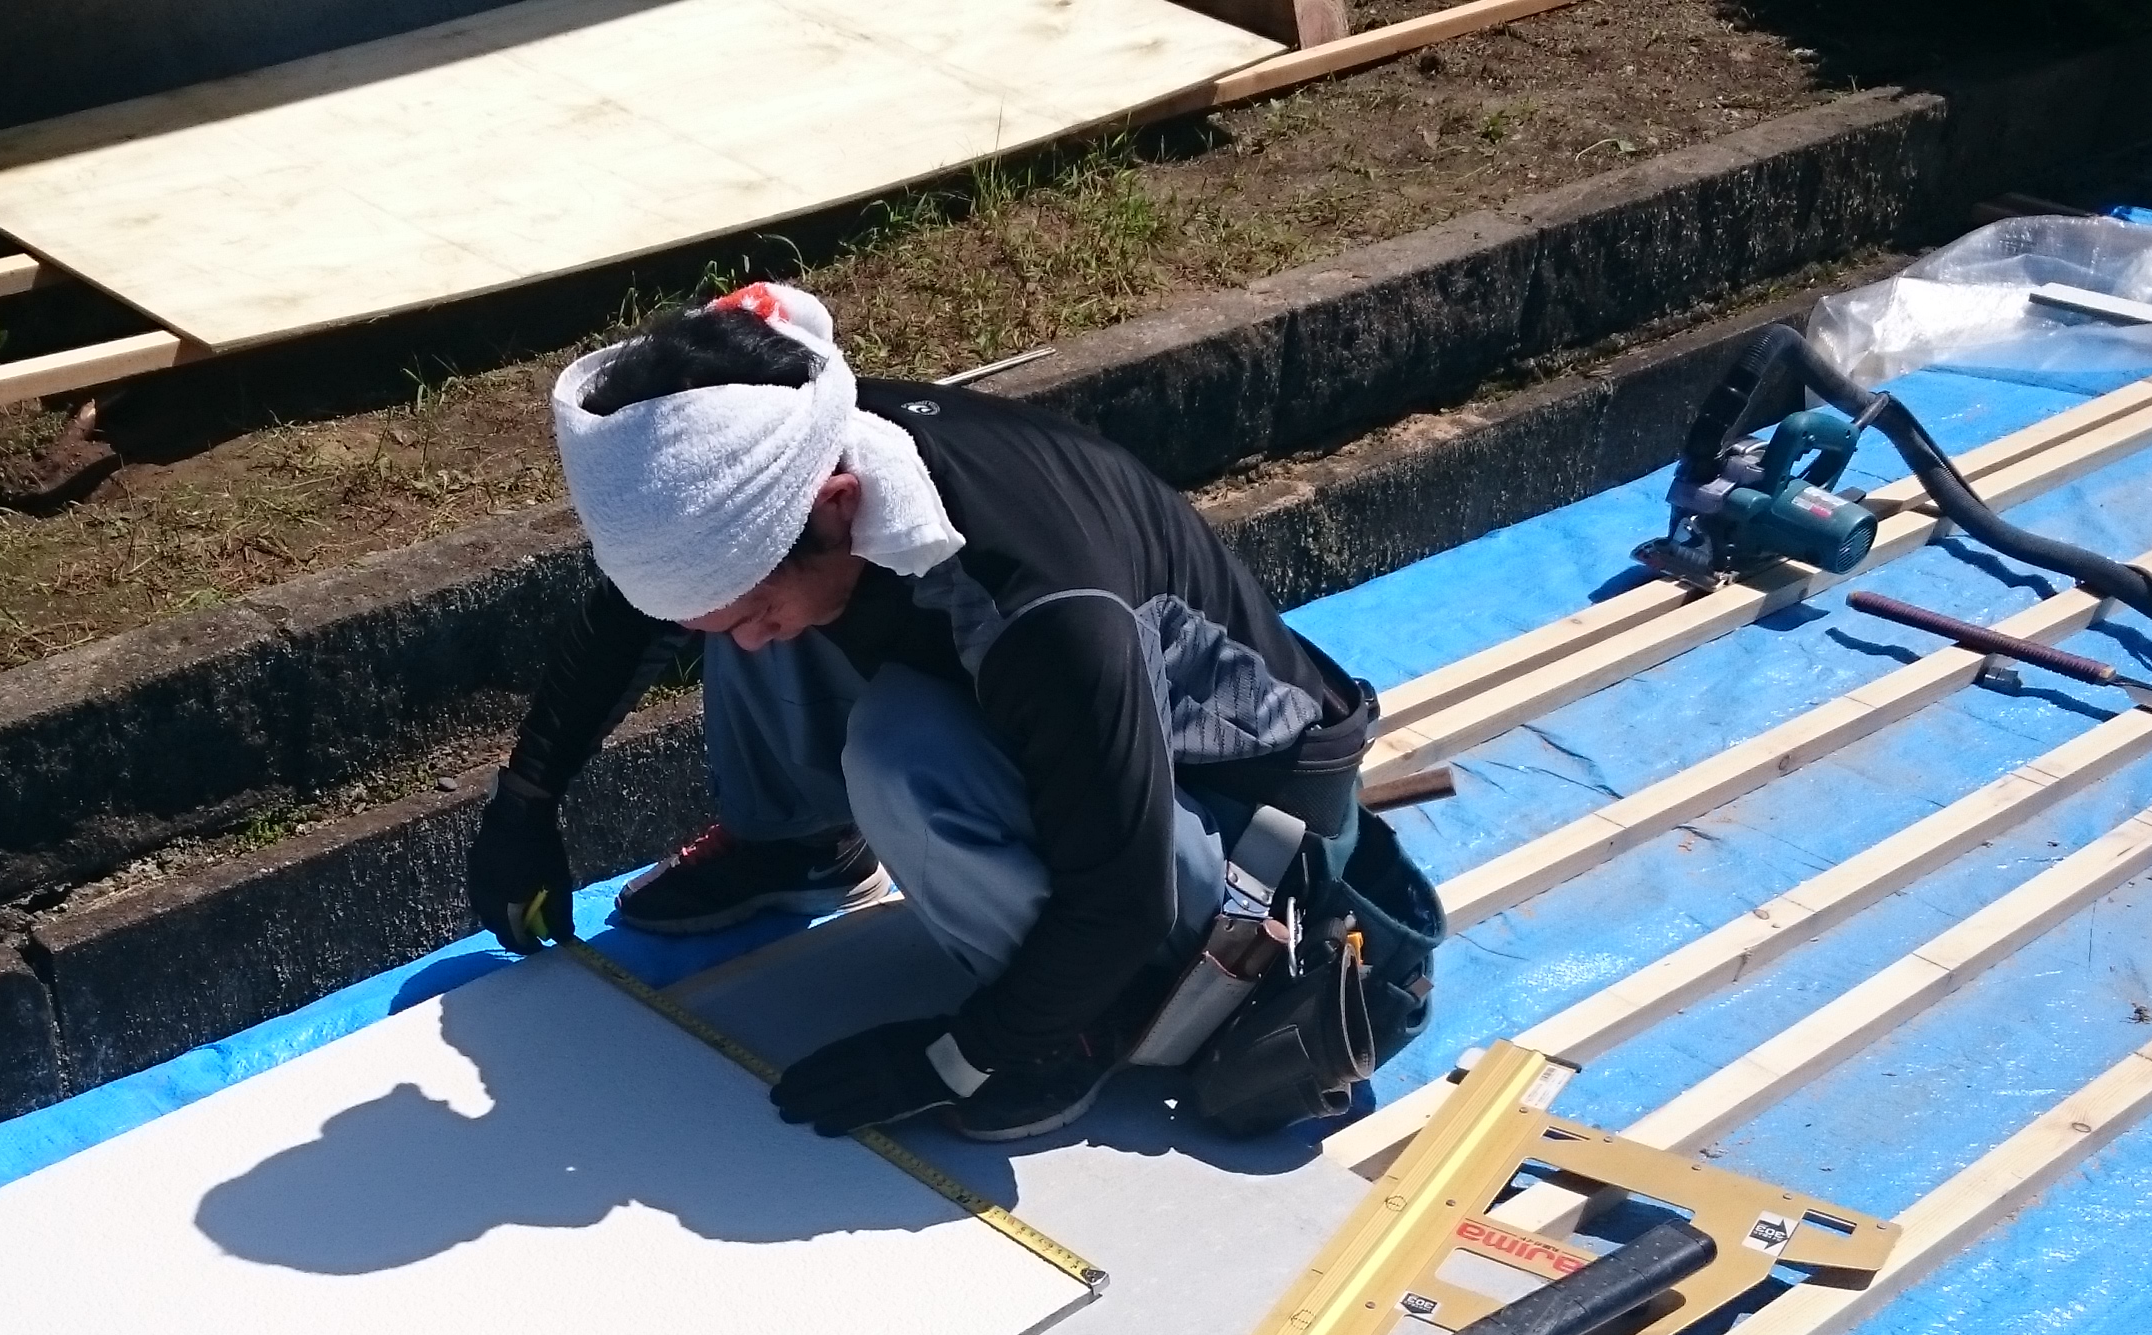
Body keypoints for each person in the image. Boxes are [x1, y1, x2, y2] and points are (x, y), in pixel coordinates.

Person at [466, 281, 1439, 1143]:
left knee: (904, 756)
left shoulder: (1047, 613)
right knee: (764, 620)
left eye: (751, 604)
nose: (744, 640)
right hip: (1097, 755)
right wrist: (526, 800)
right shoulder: (784, 457)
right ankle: (800, 848)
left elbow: (1122, 895)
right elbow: (638, 616)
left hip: (1239, 841)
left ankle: (1080, 1030)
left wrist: (962, 1056)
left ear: (838, 505)